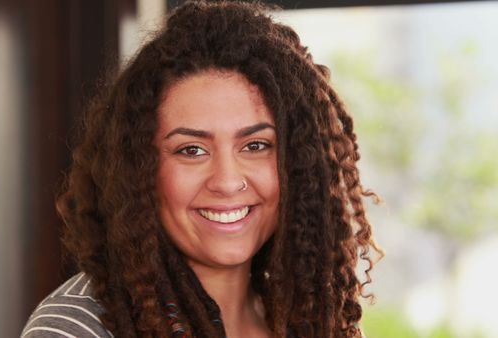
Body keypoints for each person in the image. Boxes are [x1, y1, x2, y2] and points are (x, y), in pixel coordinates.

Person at [21, 1, 382, 337]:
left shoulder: (305, 317)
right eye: (191, 150)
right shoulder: (75, 329)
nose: (226, 181)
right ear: (138, 171)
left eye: (255, 146)